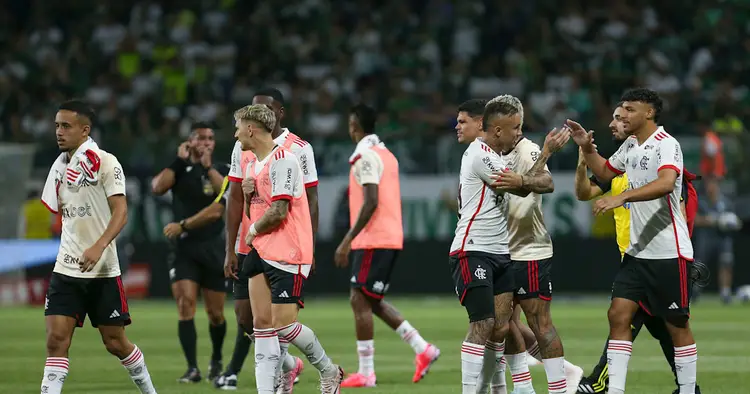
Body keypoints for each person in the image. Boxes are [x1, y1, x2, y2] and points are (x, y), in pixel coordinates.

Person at [569, 88, 698, 394]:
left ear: (648, 113)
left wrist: (622, 196)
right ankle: (614, 390)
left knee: (676, 325)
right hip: (637, 254)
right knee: (618, 315)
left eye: (629, 109)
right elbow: (603, 171)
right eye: (622, 108)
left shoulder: (667, 145)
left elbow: (667, 183)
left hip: (669, 252)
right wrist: (586, 148)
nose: (622, 114)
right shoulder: (630, 145)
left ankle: (690, 389)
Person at [40, 100, 157, 393]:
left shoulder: (106, 162)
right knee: (56, 341)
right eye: (57, 125)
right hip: (66, 268)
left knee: (115, 342)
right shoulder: (59, 168)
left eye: (66, 126)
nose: (59, 132)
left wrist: (98, 246)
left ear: (85, 130)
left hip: (102, 270)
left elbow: (121, 212)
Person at [233, 104, 343, 394]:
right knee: (261, 326)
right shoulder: (253, 163)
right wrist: (247, 198)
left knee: (283, 325)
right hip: (260, 250)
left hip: (287, 251)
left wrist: (253, 232)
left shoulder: (285, 160)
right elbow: (254, 213)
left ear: (251, 129)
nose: (235, 135)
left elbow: (279, 211)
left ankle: (329, 370)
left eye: (238, 128)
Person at [334, 104, 440, 388]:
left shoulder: (366, 157)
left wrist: (347, 240)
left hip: (374, 238)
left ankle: (367, 372)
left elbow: (371, 201)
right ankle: (423, 349)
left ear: (354, 125)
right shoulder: (386, 154)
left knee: (359, 298)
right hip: (387, 236)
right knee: (371, 300)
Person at [217, 88, 314, 391]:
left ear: (278, 113)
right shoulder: (241, 149)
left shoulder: (298, 150)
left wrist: (309, 246)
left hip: (283, 245)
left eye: (264, 109)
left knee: (278, 323)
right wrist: (231, 247)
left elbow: (310, 200)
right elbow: (236, 198)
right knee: (248, 319)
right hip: (250, 243)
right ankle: (290, 367)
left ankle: (300, 374)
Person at [486, 95, 581, 394]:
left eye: (520, 125)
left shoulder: (527, 150)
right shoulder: (487, 153)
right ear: (496, 129)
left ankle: (559, 387)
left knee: (539, 323)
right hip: (499, 251)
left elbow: (547, 184)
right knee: (502, 323)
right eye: (513, 127)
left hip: (529, 251)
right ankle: (524, 387)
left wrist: (524, 178)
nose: (519, 132)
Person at [151, 122, 229, 383]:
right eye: (200, 138)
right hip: (183, 249)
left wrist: (207, 167)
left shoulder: (220, 170)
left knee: (216, 314)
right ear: (190, 142)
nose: (206, 142)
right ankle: (192, 368)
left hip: (213, 248)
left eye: (210, 138)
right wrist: (177, 160)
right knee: (185, 305)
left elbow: (223, 198)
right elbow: (157, 187)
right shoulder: (179, 169)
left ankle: (216, 359)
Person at [694, 177, 740, 304]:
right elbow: (694, 219)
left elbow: (735, 220)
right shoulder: (701, 202)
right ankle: (695, 291)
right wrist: (710, 220)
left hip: (723, 237)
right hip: (706, 237)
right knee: (700, 264)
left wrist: (730, 222)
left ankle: (725, 292)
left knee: (726, 262)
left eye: (713, 185)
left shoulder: (726, 202)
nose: (711, 188)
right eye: (709, 185)